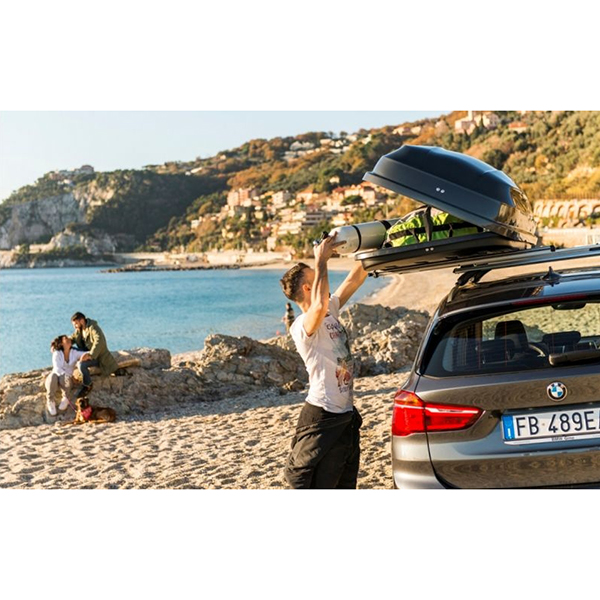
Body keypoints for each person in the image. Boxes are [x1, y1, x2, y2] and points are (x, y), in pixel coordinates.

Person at [279, 231, 368, 489]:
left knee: (344, 484)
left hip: (345, 415)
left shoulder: (330, 309)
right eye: (315, 277)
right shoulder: (301, 326)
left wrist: (374, 248)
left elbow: (354, 279)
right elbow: (316, 306)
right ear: (308, 288)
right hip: (322, 415)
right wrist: (321, 261)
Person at [70, 312, 119, 397]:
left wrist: (90, 355)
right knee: (71, 349)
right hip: (85, 352)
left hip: (97, 356)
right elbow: (73, 338)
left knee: (81, 365)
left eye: (76, 324)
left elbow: (99, 341)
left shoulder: (93, 327)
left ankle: (88, 385)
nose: (75, 326)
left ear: (82, 321)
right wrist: (59, 344)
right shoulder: (79, 329)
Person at [45, 335, 91, 416]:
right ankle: (50, 400)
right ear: (61, 343)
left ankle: (66, 397)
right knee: (53, 376)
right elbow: (57, 368)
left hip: (66, 380)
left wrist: (85, 355)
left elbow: (87, 353)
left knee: (65, 378)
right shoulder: (57, 353)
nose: (69, 339)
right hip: (56, 376)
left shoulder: (74, 352)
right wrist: (71, 377)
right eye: (66, 338)